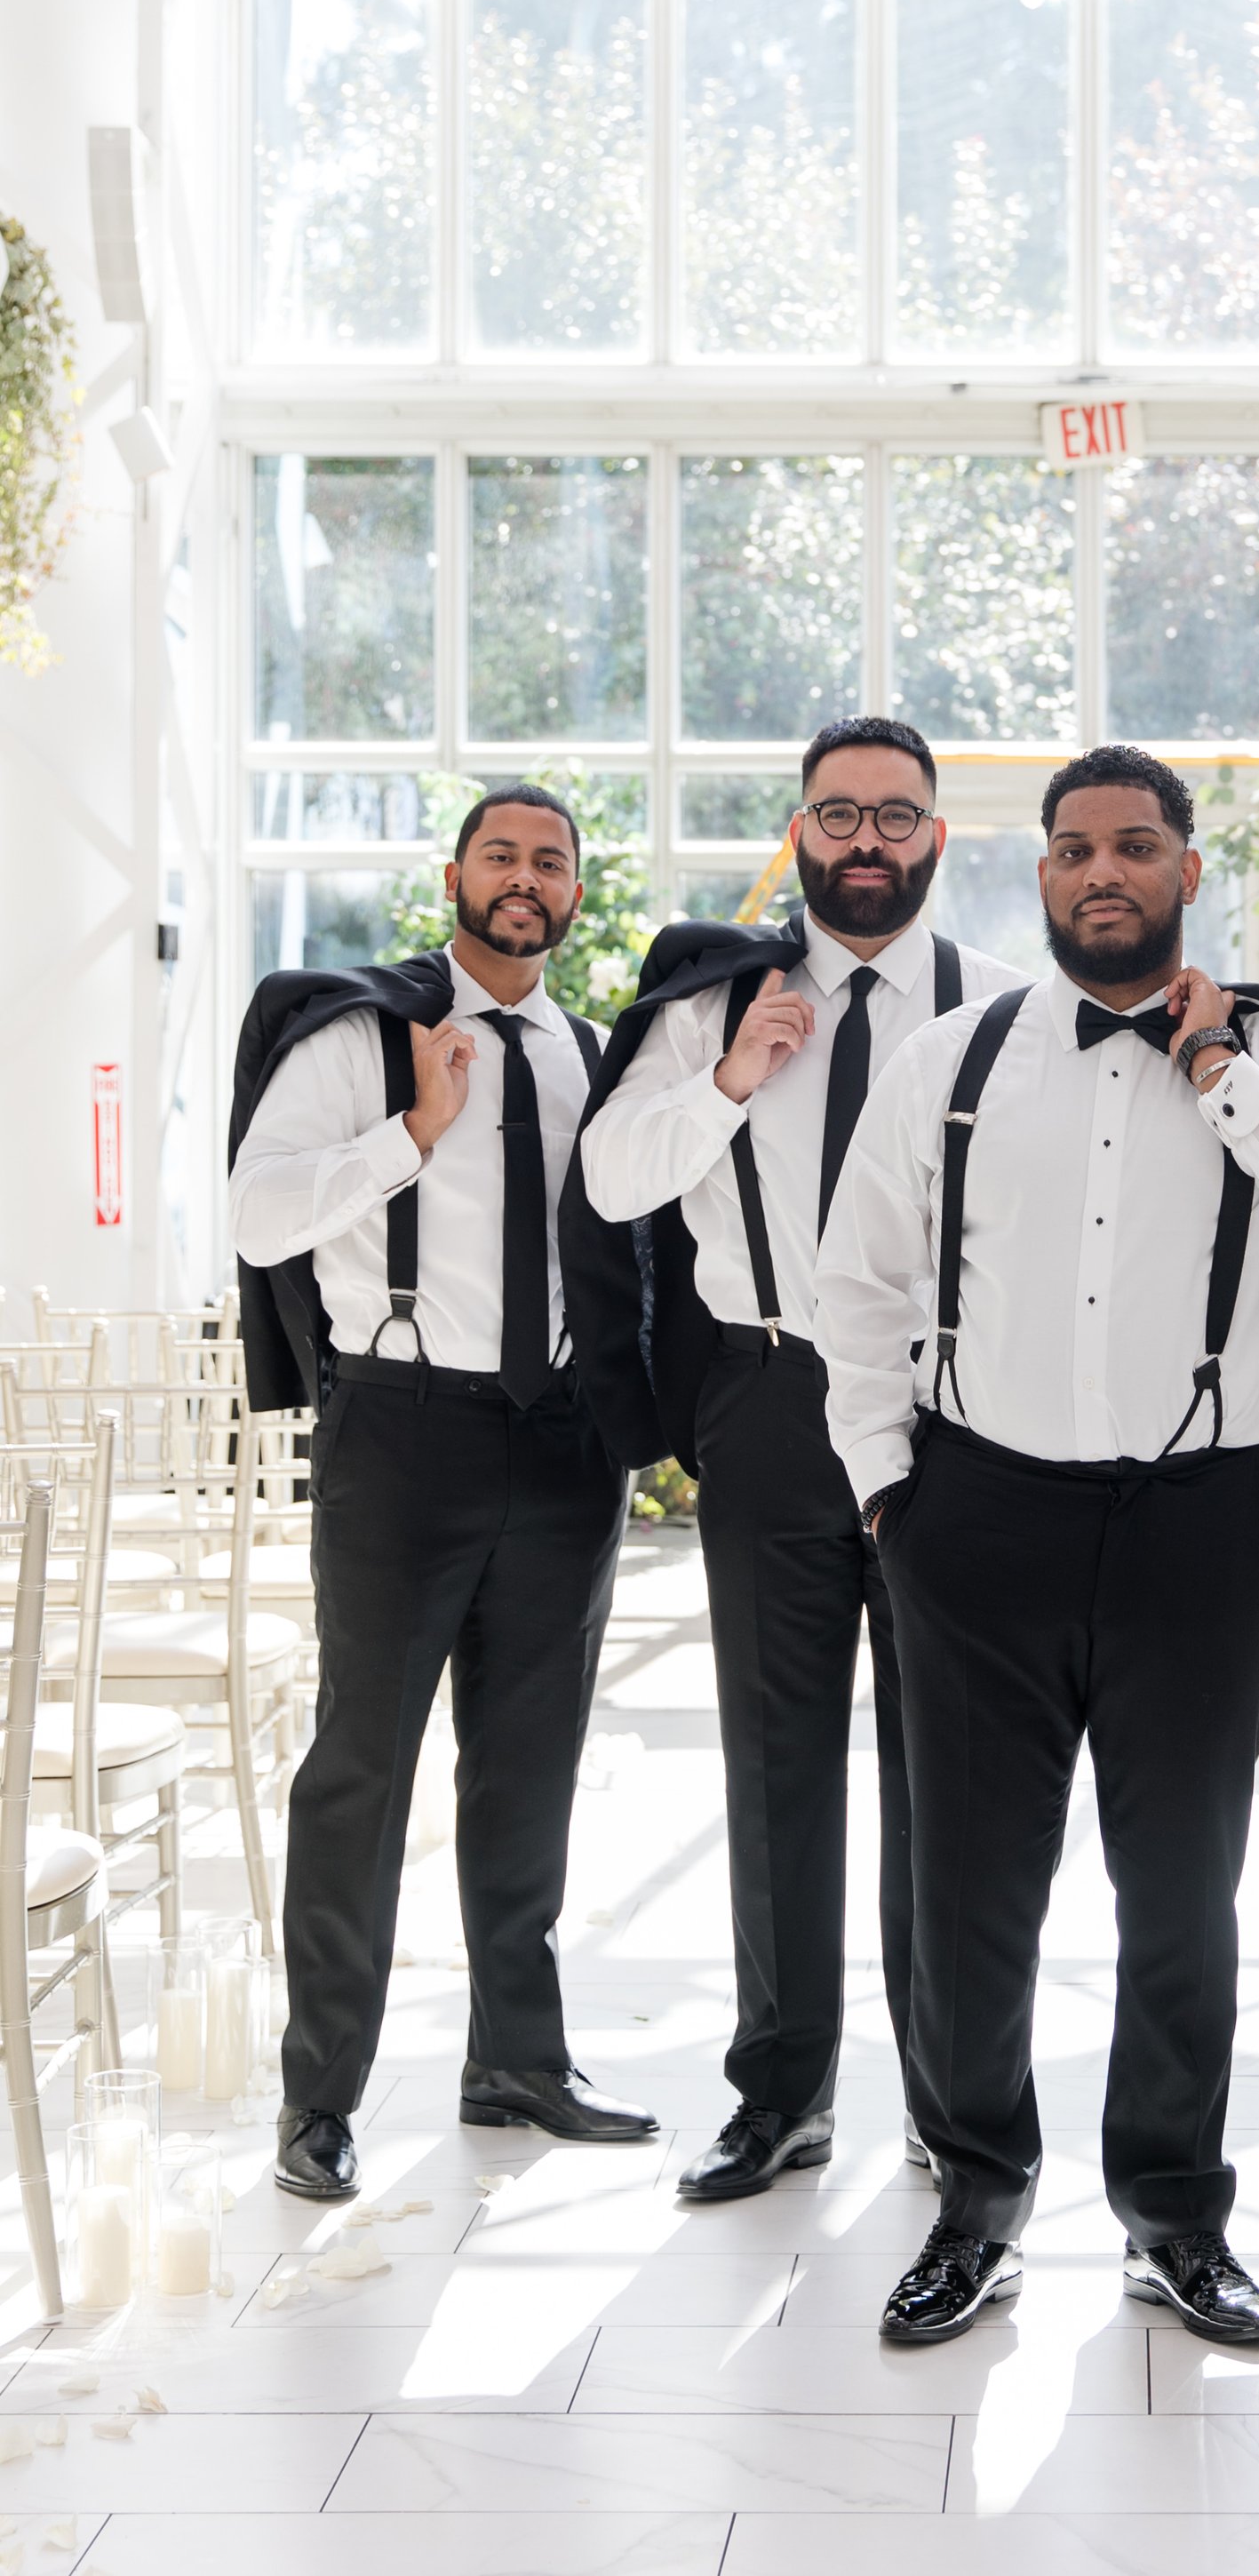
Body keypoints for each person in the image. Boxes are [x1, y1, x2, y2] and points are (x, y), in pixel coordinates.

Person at [817, 745, 1259, 2347]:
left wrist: (1223, 1073)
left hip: (1200, 1530)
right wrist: (889, 1491)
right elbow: (860, 1285)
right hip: (975, 1519)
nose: (1102, 872)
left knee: (1183, 1891)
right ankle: (977, 2199)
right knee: (967, 1893)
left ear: (1187, 869)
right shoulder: (951, 1057)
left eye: (1135, 846)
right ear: (1040, 874)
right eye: (1075, 848)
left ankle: (1171, 2212)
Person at [573, 719, 1026, 2205]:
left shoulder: (1000, 1008)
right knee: (776, 1762)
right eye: (840, 815)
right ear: (800, 832)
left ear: (939, 839)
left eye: (898, 816)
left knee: (944, 1769)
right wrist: (725, 1083)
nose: (868, 842)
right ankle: (782, 2096)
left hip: (943, 1418)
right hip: (768, 1404)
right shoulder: (715, 1003)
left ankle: (949, 2099)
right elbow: (608, 1175)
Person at [229, 783, 665, 2203]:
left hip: (559, 1447)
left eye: (552, 862)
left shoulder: (592, 1056)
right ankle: (319, 2098)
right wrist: (412, 1132)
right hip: (401, 1433)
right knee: (361, 1769)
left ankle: (516, 2059)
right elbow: (255, 1211)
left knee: (528, 1763)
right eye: (503, 855)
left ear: (575, 897)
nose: (526, 879)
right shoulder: (364, 1035)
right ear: (454, 876)